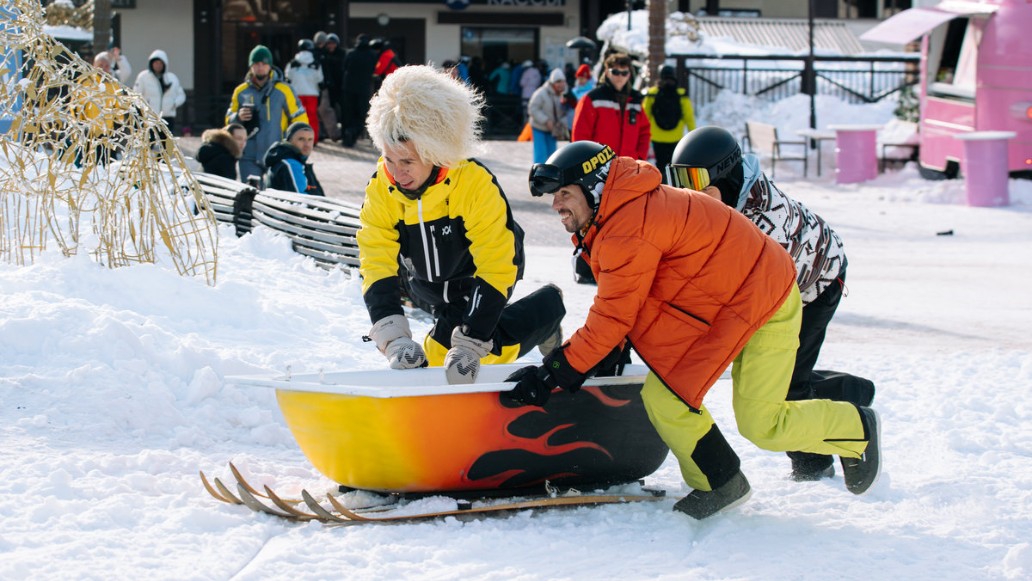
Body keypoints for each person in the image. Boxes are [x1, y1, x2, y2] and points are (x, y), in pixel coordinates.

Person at [510, 140, 882, 519]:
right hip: (721, 305)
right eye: (554, 196)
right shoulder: (619, 215)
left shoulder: (628, 225)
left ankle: (856, 428)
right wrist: (607, 352)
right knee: (666, 397)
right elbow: (630, 300)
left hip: (763, 296)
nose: (556, 205)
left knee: (761, 422)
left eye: (565, 193)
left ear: (595, 187)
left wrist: (553, 372)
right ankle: (719, 481)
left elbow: (613, 314)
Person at [669, 125, 876, 481]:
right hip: (790, 282)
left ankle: (814, 467)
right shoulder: (723, 204)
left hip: (818, 283)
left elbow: (753, 297)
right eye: (679, 179)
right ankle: (849, 391)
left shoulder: (761, 224)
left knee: (782, 389)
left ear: (725, 174)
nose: (689, 191)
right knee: (782, 378)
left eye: (696, 179)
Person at [358, 65, 565, 385]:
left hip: (478, 281)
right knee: (441, 357)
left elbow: (496, 264)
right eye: (389, 159)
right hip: (428, 286)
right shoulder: (382, 187)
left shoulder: (473, 184)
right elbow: (376, 257)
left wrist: (472, 340)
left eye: (408, 161)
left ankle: (547, 311)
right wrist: (392, 334)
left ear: (435, 152)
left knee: (465, 355)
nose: (397, 173)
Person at [225, 44, 309, 183]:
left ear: (270, 66)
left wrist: (296, 144)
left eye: (264, 63)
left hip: (277, 153)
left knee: (276, 198)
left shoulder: (284, 90)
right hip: (248, 154)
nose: (260, 67)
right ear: (251, 66)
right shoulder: (241, 91)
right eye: (256, 63)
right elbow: (228, 120)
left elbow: (299, 119)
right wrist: (237, 117)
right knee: (250, 195)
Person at [571, 53, 650, 161]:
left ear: (629, 75)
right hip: (599, 167)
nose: (620, 77)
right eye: (616, 72)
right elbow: (580, 136)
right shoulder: (592, 99)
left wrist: (639, 158)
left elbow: (644, 132)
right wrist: (586, 164)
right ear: (607, 73)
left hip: (627, 167)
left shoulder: (635, 100)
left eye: (624, 73)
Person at [642, 65, 696, 182]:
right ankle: (674, 186)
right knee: (674, 164)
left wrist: (642, 135)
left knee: (660, 165)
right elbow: (689, 117)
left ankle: (662, 185)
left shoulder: (652, 93)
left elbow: (644, 116)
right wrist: (693, 135)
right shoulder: (681, 94)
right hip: (675, 137)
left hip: (657, 137)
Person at [262, 122, 324, 196]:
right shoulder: (290, 165)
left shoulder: (292, 161)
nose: (307, 144)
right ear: (289, 141)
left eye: (310, 139)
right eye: (301, 139)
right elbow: (300, 199)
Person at [133, 49, 186, 134]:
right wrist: (143, 109)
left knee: (166, 145)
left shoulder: (172, 78)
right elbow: (136, 95)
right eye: (156, 63)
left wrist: (174, 104)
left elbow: (181, 95)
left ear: (165, 64)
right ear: (151, 63)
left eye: (161, 63)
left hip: (167, 117)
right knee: (149, 144)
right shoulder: (143, 77)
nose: (158, 65)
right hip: (150, 117)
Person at [340, 34, 378, 147]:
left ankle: (347, 139)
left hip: (348, 87)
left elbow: (344, 67)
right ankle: (352, 132)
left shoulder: (350, 53)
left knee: (347, 114)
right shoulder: (372, 55)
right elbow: (374, 70)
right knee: (361, 116)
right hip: (364, 89)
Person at [285, 39, 324, 143]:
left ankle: (296, 139)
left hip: (296, 93)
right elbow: (320, 79)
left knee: (296, 116)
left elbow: (288, 77)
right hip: (312, 93)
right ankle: (313, 139)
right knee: (312, 117)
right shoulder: (316, 63)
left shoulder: (293, 63)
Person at [528, 68, 569, 164]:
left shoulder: (564, 94)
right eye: (558, 82)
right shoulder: (541, 93)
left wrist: (561, 122)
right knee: (540, 156)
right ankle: (539, 176)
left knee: (553, 156)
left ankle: (550, 177)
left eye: (562, 82)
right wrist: (546, 120)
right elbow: (532, 109)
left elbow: (566, 111)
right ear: (552, 83)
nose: (560, 84)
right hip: (539, 128)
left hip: (553, 130)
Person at [320, 33, 345, 142]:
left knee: (342, 110)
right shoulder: (323, 54)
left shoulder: (342, 54)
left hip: (340, 86)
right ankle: (327, 132)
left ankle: (342, 132)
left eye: (333, 44)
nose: (331, 46)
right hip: (327, 87)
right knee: (326, 110)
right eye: (329, 44)